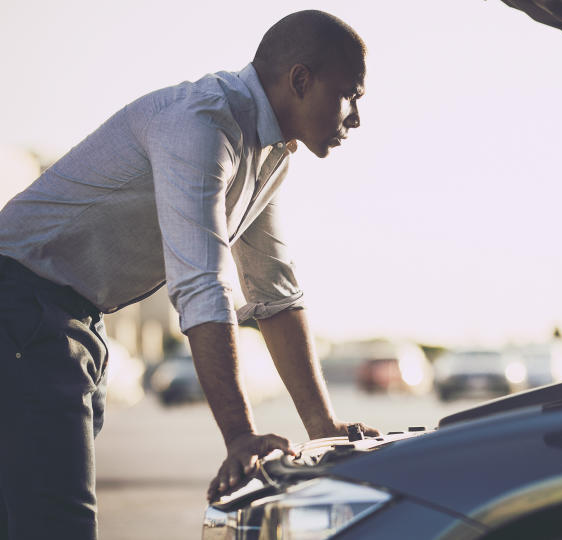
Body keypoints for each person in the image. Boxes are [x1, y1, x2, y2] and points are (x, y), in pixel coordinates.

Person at [0, 10, 378, 539]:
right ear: (300, 80)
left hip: (69, 319)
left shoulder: (270, 155)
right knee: (56, 525)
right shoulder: (202, 123)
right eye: (350, 94)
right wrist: (240, 436)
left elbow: (274, 293)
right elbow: (202, 283)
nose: (357, 116)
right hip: (21, 308)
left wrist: (323, 427)